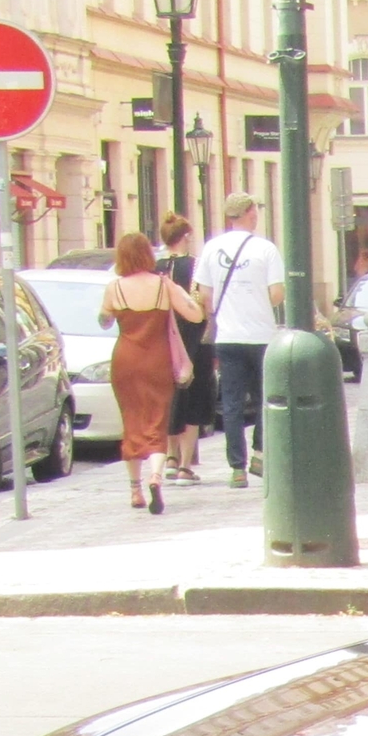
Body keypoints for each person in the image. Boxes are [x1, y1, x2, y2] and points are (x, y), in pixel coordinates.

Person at [98, 230, 205, 515]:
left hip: (125, 361)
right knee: (157, 420)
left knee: (131, 420)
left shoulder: (114, 288)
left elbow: (104, 320)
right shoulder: (163, 285)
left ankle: (134, 489)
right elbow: (195, 314)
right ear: (147, 255)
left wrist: (110, 314)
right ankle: (156, 476)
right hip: (157, 361)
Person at [193, 192, 285, 488]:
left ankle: (237, 468)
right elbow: (277, 294)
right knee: (264, 398)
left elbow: (204, 295)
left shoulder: (211, 248)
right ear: (250, 213)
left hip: (228, 336)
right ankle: (260, 452)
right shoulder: (265, 249)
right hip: (260, 336)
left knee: (231, 403)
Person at [156, 212, 214, 484]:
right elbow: (204, 302)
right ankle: (185, 465)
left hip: (164, 339)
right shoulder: (195, 267)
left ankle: (170, 456)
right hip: (192, 338)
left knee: (171, 397)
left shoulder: (156, 267)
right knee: (194, 397)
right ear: (186, 237)